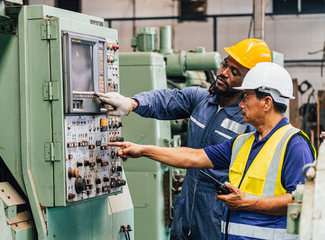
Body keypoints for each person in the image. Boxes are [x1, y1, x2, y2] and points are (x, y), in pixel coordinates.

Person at [109, 62, 316, 240]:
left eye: (246, 98)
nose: (241, 104)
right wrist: (142, 149)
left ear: (267, 102)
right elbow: (193, 156)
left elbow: (300, 201)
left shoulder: (294, 145)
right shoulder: (242, 143)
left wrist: (248, 203)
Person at [96, 38, 271, 239]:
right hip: (186, 209)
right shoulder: (202, 100)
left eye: (234, 72)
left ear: (249, 82)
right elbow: (166, 100)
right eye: (225, 64)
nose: (223, 73)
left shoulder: (248, 120)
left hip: (217, 215)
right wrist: (132, 103)